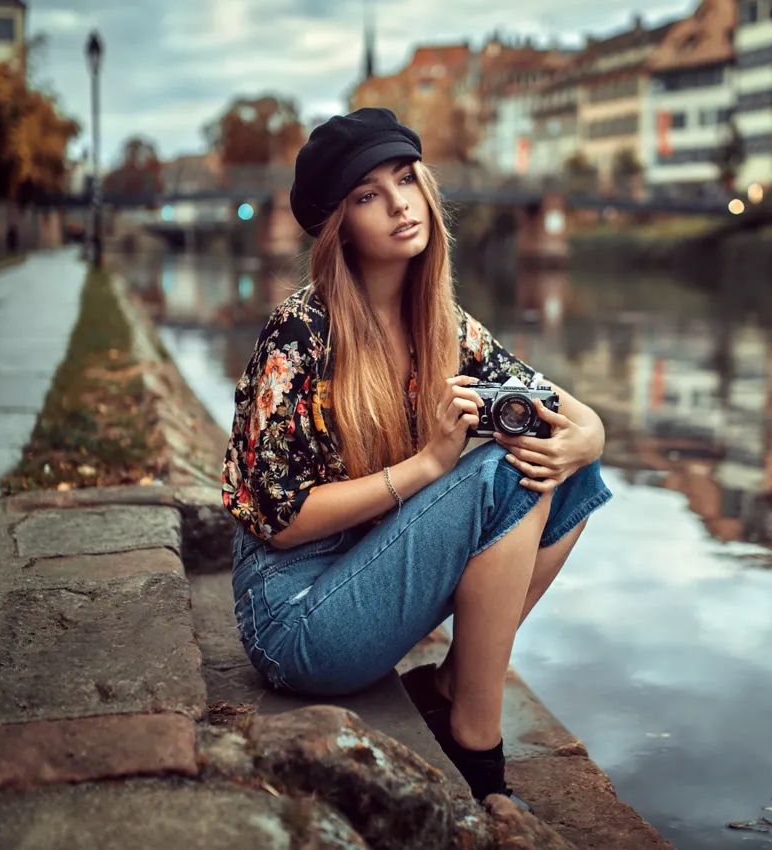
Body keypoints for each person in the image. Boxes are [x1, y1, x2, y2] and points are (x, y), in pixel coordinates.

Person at [221, 108, 612, 810]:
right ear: (341, 225)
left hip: (362, 577)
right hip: (294, 619)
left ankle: (452, 685)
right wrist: (429, 465)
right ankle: (476, 744)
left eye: (406, 179)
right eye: (368, 194)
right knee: (502, 471)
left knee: (572, 470)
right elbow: (279, 522)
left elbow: (569, 415)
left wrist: (590, 439)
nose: (401, 204)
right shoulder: (301, 330)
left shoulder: (445, 327)